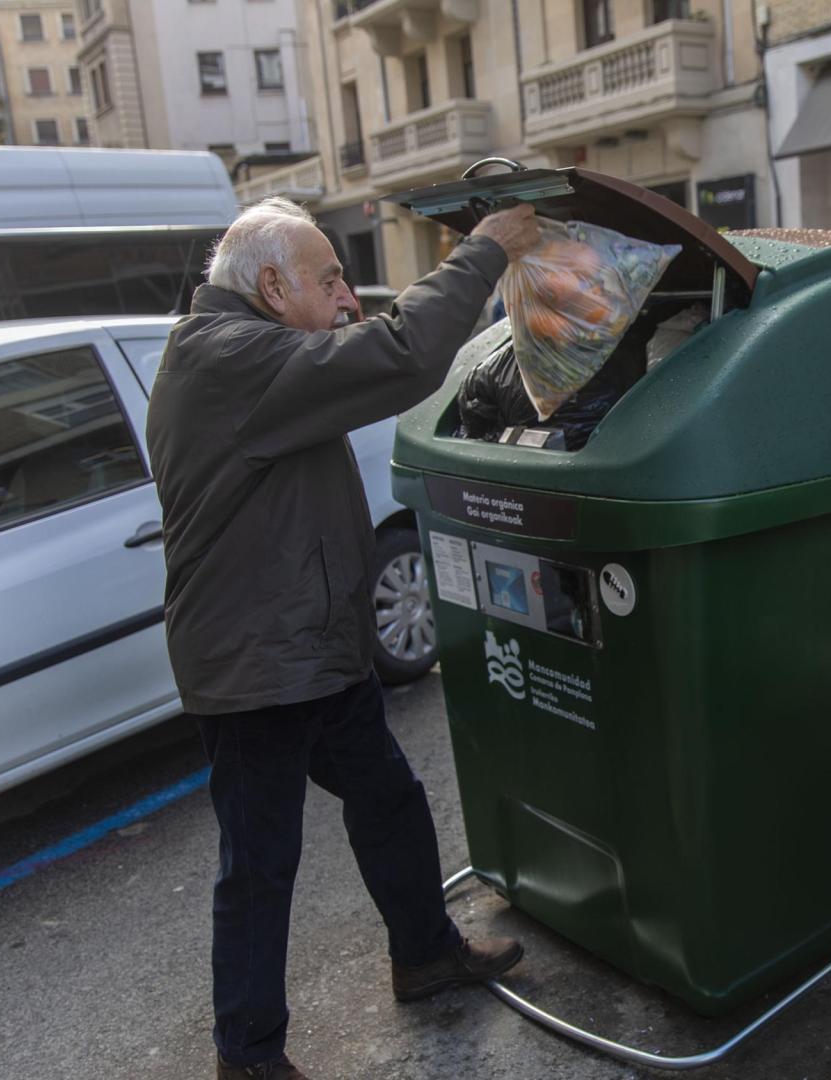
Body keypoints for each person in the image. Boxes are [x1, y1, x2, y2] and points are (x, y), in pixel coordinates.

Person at [145, 196, 541, 1080]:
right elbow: (399, 355)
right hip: (258, 670)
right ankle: (246, 1057)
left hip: (311, 652)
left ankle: (425, 953)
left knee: (389, 800)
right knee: (260, 864)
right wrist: (486, 249)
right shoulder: (231, 356)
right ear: (273, 285)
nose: (348, 298)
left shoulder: (246, 349)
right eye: (331, 281)